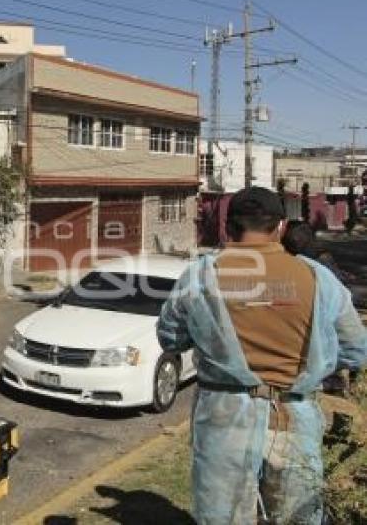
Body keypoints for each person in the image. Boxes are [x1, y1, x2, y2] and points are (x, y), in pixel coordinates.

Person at [157, 186, 366, 525]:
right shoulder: (318, 277)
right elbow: (356, 350)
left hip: (224, 418)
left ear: (228, 226)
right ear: (281, 226)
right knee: (297, 516)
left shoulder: (199, 276)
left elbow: (170, 337)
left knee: (221, 518)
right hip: (295, 418)